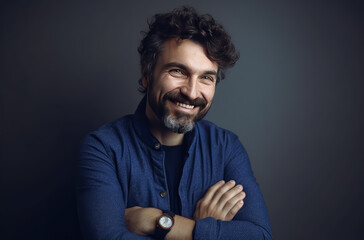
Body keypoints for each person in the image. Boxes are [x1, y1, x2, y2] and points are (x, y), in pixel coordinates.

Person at [76, 6, 272, 240]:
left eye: (206, 78)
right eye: (178, 71)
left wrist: (159, 222)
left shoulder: (226, 147)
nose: (191, 92)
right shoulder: (103, 148)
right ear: (147, 73)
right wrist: (205, 230)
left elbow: (259, 236)